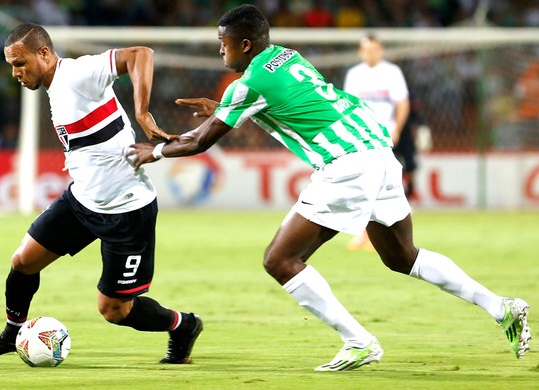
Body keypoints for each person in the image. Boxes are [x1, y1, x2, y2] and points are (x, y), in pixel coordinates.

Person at [128, 4, 531, 371]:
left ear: (245, 44)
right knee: (403, 256)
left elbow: (199, 142)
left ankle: (358, 341)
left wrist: (155, 152)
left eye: (223, 43)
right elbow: (292, 103)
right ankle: (502, 307)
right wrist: (223, 110)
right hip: (378, 151)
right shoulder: (288, 57)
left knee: (280, 259)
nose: (221, 51)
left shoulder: (246, 85)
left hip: (347, 166)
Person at [0, 23, 202, 366]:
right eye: (12, 66)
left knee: (115, 310)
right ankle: (10, 335)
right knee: (23, 262)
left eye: (20, 63)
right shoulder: (55, 88)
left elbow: (140, 54)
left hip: (126, 212)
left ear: (43, 53)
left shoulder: (77, 73)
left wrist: (143, 112)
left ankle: (183, 325)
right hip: (82, 202)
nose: (16, 73)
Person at [343, 33, 410, 250]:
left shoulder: (392, 72)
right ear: (361, 52)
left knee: (384, 186)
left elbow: (402, 103)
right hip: (361, 137)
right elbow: (348, 107)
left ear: (380, 50)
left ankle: (384, 236)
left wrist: (397, 129)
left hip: (385, 136)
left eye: (374, 49)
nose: (370, 53)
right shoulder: (354, 74)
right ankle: (367, 233)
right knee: (364, 185)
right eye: (366, 50)